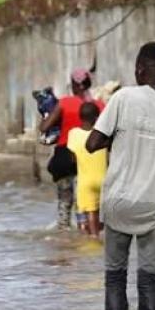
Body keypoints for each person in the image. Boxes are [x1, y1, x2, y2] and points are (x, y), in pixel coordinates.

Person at [85, 42, 155, 310]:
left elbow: (93, 143)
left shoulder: (124, 97)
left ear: (140, 69)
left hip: (119, 202)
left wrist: (118, 138)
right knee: (150, 280)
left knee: (115, 275)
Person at [39, 68, 105, 230]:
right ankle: (87, 238)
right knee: (85, 202)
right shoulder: (99, 105)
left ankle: (65, 240)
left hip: (65, 157)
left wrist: (47, 118)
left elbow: (44, 127)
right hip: (91, 159)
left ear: (75, 85)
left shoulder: (65, 103)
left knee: (65, 201)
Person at [66, 102, 106, 238]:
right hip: (105, 180)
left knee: (90, 212)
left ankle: (93, 240)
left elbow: (72, 159)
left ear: (80, 117)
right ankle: (98, 235)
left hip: (85, 182)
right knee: (101, 213)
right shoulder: (102, 134)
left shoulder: (73, 134)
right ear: (97, 117)